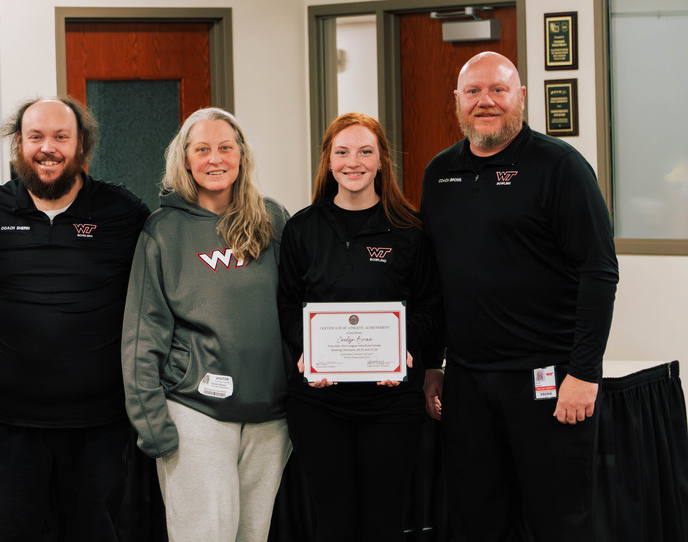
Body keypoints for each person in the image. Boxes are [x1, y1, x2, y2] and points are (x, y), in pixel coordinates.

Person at [420, 52, 619, 541]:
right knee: (476, 520)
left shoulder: (560, 167)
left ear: (521, 97)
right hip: (467, 383)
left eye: (498, 90)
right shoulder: (439, 173)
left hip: (548, 381)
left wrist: (584, 373)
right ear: (458, 102)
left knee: (559, 521)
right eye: (473, 92)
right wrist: (432, 365)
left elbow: (599, 272)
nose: (485, 101)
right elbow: (433, 279)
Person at [0, 96, 149, 542]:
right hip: (8, 424)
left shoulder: (123, 213)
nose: (48, 148)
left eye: (61, 136)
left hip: (99, 423)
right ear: (18, 144)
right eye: (35, 136)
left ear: (82, 145)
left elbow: (150, 296)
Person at [122, 107, 292, 542]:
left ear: (241, 156)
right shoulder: (162, 230)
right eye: (203, 149)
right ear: (185, 158)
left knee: (253, 536)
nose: (215, 159)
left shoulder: (273, 220)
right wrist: (151, 422)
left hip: (270, 417)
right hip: (195, 412)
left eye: (225, 147)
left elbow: (297, 310)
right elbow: (143, 334)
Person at [276, 113, 442, 542]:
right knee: (333, 524)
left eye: (365, 151)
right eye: (343, 152)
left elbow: (429, 307)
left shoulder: (411, 231)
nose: (354, 162)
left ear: (382, 160)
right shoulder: (302, 229)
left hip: (391, 404)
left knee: (382, 524)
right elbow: (288, 306)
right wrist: (308, 351)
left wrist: (403, 347)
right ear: (329, 163)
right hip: (319, 402)